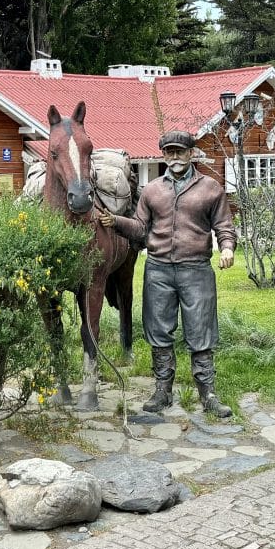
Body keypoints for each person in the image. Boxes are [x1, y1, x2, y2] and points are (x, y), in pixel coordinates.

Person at [99, 130, 237, 417]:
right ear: (163, 155)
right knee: (158, 331)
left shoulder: (210, 188)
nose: (174, 157)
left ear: (190, 154)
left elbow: (224, 225)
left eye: (180, 152)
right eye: (169, 152)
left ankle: (208, 393)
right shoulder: (152, 191)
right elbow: (140, 227)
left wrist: (227, 248)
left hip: (196, 269)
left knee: (201, 331)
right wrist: (116, 221)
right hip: (158, 269)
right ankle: (162, 391)